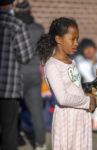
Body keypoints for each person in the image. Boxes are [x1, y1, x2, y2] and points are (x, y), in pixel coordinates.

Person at [36, 17, 97, 150]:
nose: (76, 43)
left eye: (77, 39)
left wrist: (89, 102)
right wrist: (88, 101)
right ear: (58, 39)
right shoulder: (52, 66)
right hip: (67, 119)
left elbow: (76, 89)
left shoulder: (72, 62)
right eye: (72, 39)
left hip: (81, 116)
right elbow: (62, 98)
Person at [0, 0, 34, 150]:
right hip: (8, 88)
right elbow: (25, 56)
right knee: (9, 133)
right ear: (11, 5)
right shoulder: (17, 25)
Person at [14, 1, 46, 149]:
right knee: (36, 111)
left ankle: (15, 139)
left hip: (15, 74)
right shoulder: (39, 28)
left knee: (12, 110)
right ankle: (41, 144)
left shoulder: (12, 28)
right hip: (34, 74)